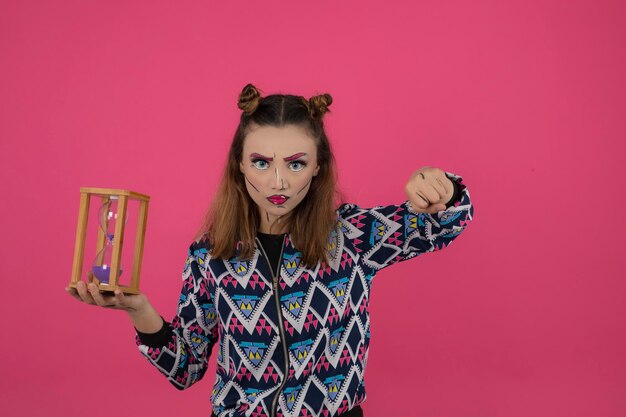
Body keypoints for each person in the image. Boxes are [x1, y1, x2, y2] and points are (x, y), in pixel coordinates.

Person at [66, 83, 474, 417]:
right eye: (261, 162)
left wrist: (442, 187)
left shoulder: (353, 236)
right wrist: (139, 311)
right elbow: (186, 368)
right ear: (239, 165)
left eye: (296, 164)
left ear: (318, 166)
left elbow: (446, 222)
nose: (278, 182)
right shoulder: (211, 255)